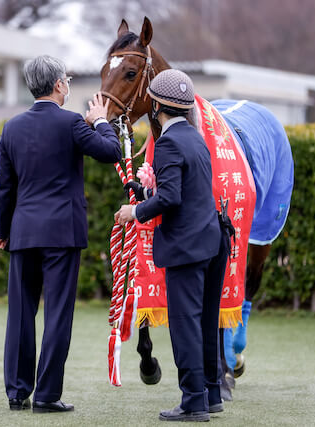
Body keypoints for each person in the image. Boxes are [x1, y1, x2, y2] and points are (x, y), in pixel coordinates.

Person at [0, 55, 121, 414]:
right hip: (62, 233)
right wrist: (100, 121)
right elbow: (110, 151)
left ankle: (17, 392)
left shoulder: (11, 128)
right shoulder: (71, 123)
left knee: (20, 314)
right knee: (57, 315)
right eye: (66, 79)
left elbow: (6, 188)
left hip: (23, 231)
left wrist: (2, 231)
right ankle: (48, 395)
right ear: (58, 85)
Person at [115, 69, 229, 422]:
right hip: (211, 240)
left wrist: (135, 210)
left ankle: (193, 401)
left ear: (159, 105)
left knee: (185, 325)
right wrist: (146, 193)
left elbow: (172, 198)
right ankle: (210, 394)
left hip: (187, 246)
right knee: (206, 322)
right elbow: (186, 193)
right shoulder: (196, 138)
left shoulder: (166, 142)